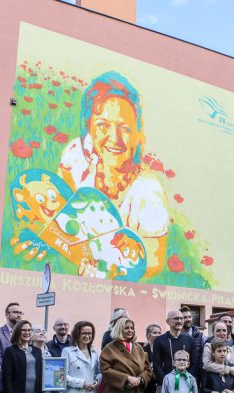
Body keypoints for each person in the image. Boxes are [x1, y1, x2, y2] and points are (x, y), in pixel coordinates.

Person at [59, 71, 168, 278]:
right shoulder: (76, 157)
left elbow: (154, 261)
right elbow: (61, 208)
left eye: (124, 129)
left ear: (137, 133)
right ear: (89, 126)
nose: (114, 139)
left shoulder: (147, 190)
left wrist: (110, 269)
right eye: (102, 126)